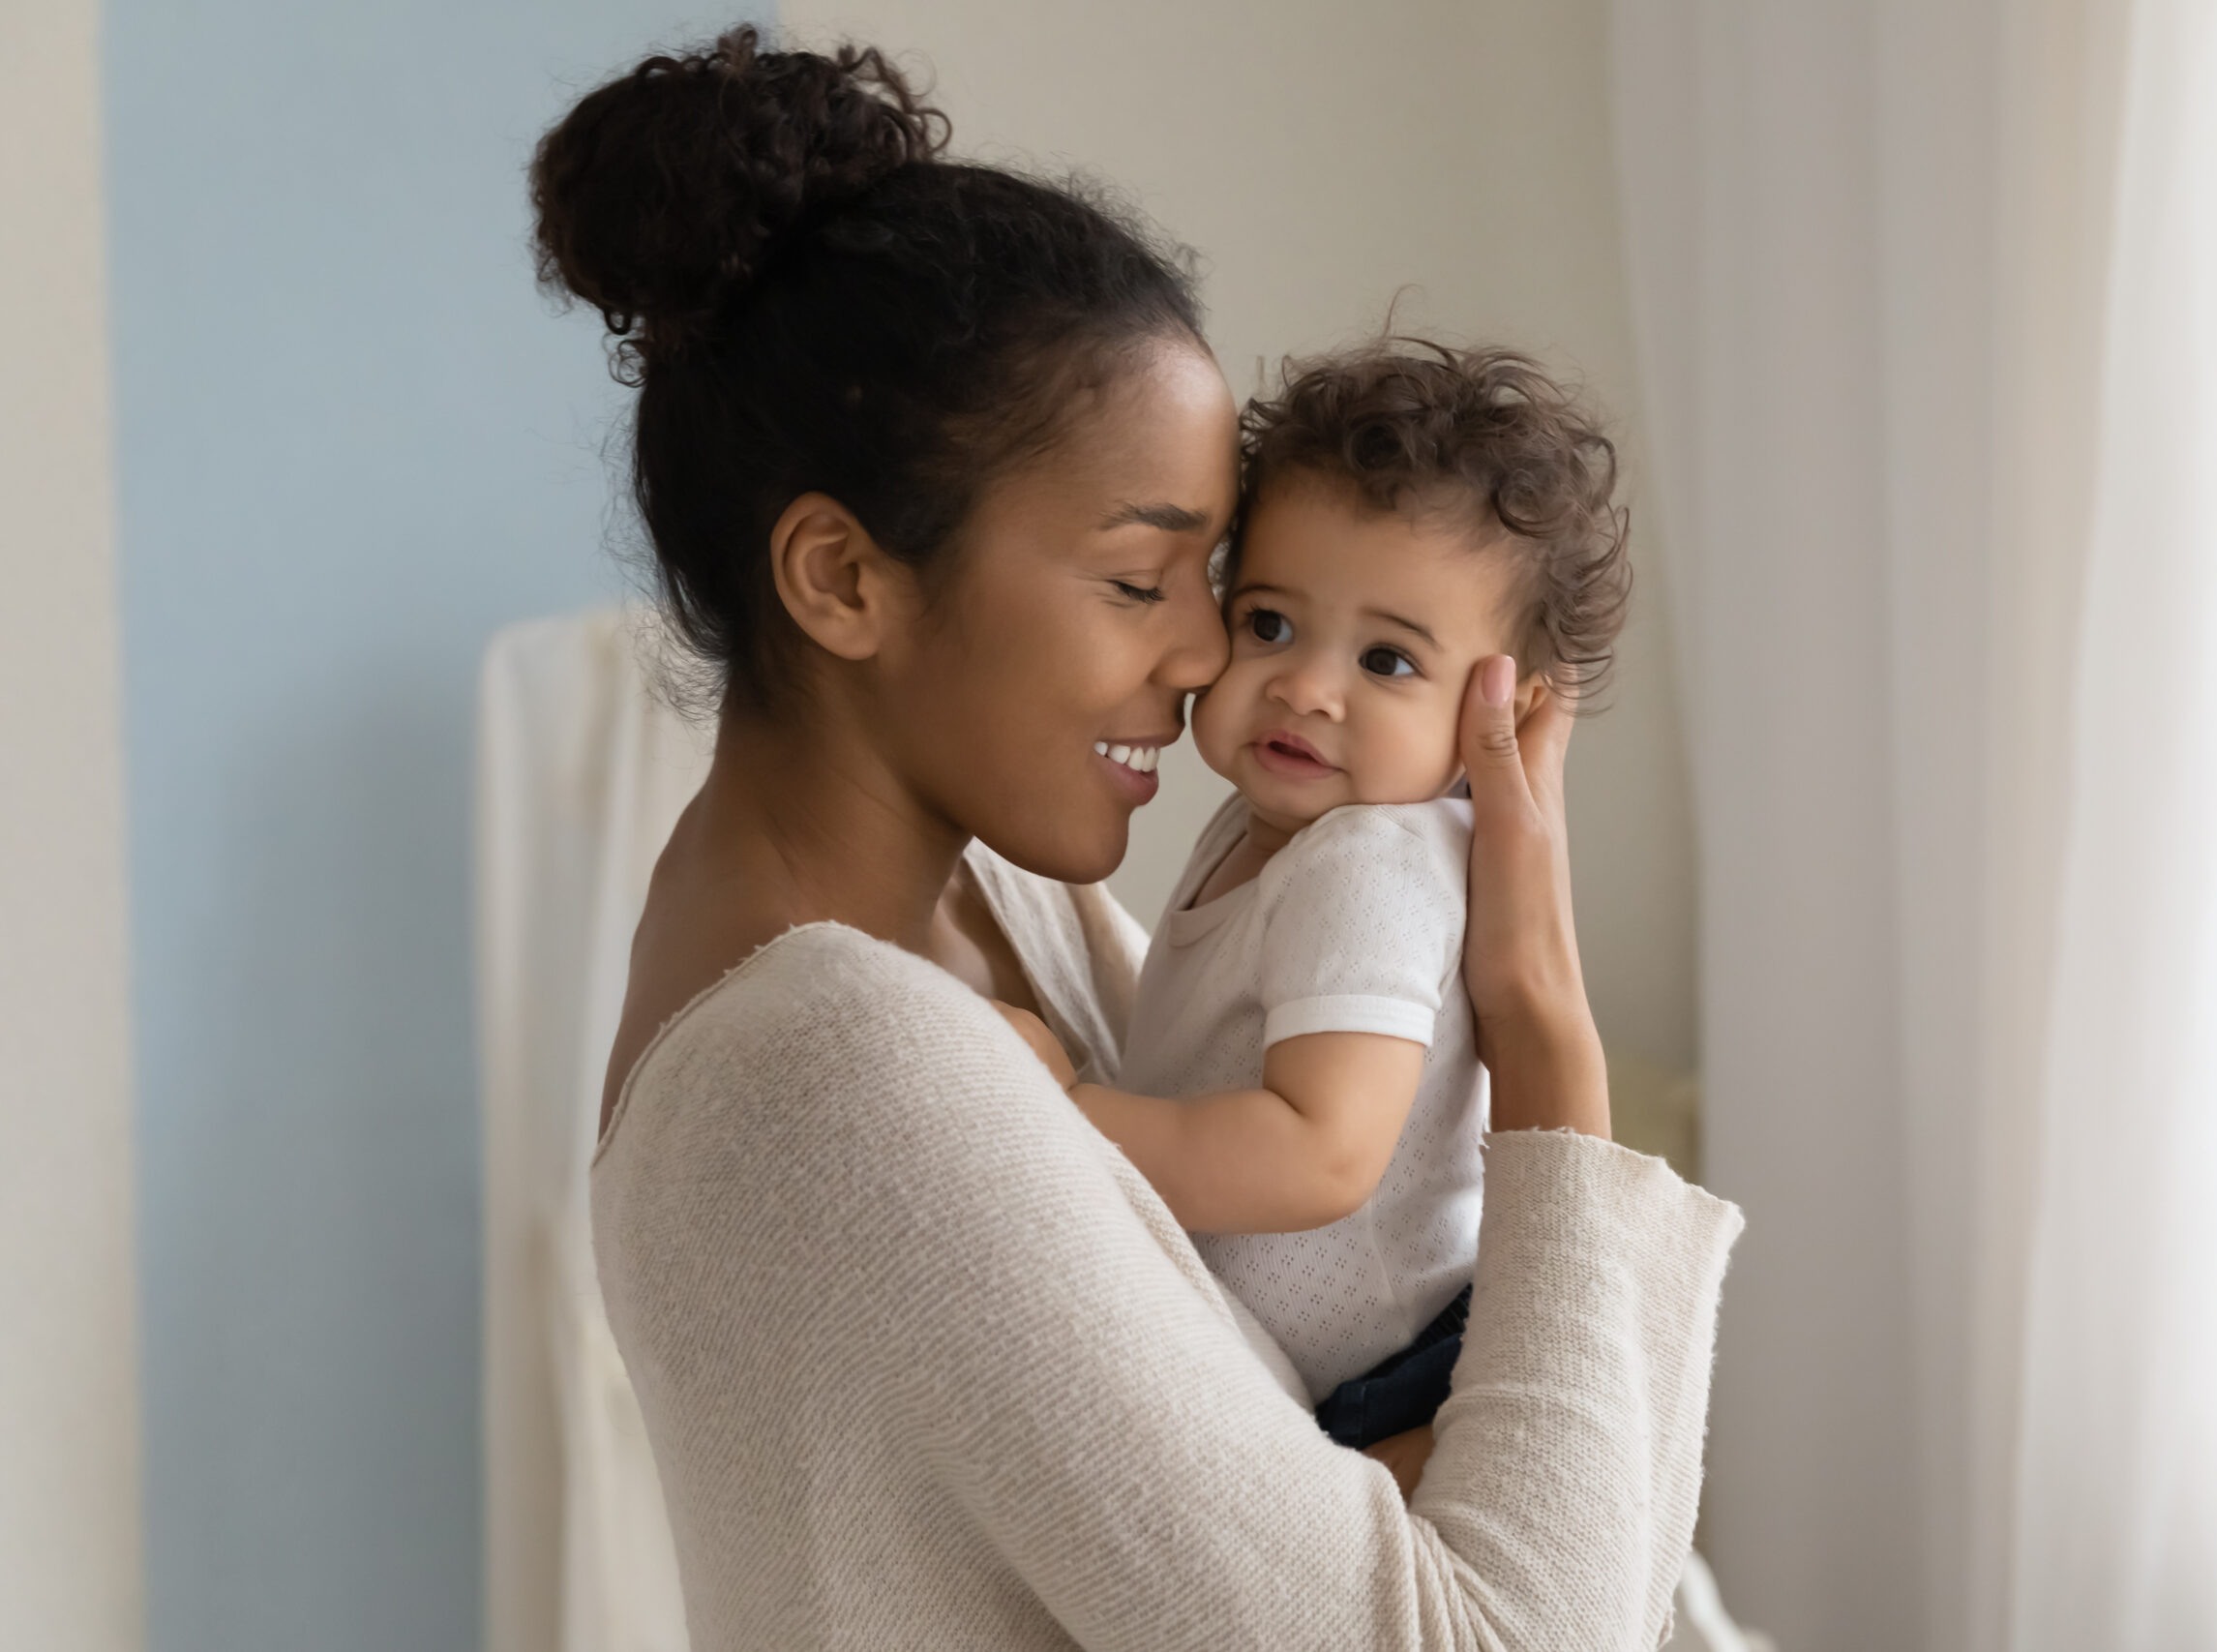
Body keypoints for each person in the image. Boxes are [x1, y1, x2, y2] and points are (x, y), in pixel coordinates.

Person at [541, 27, 1742, 1649]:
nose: (1203, 663)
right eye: (1140, 580)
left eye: (1210, 583)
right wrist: (1538, 1017)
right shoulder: (849, 1070)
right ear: (841, 579)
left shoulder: (986, 911)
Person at [1011, 339, 1630, 1458]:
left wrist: (1063, 1115)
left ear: (1505, 712)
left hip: (1398, 1381)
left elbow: (1318, 1154)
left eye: (1386, 661)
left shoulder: (1368, 862)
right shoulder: (1277, 823)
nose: (1302, 686)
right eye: (1269, 624)